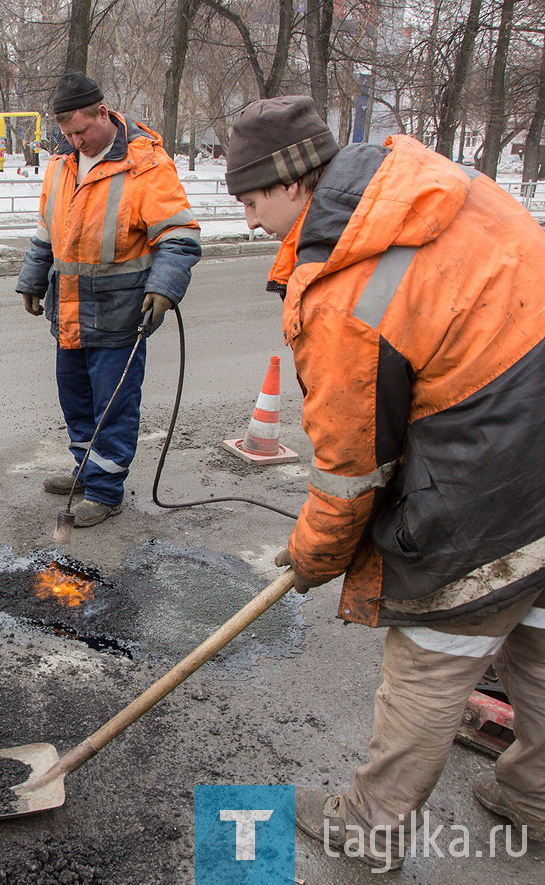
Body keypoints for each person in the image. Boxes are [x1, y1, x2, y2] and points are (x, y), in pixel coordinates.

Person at [226, 95, 545, 869]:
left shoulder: (348, 287)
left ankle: (370, 825)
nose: (246, 221)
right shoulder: (423, 181)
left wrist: (313, 555)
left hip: (487, 476)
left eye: (252, 199)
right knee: (536, 635)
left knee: (438, 650)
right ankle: (536, 794)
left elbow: (349, 470)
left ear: (298, 183)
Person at [17, 72, 201, 527]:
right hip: (70, 311)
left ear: (104, 113)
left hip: (120, 314)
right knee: (75, 398)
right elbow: (48, 230)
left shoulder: (147, 166)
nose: (76, 141)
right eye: (67, 134)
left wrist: (163, 289)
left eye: (82, 130)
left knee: (113, 405)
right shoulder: (61, 165)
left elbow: (178, 236)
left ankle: (105, 490)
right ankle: (85, 468)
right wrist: (32, 278)